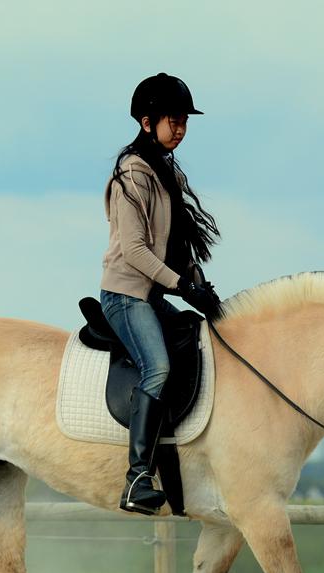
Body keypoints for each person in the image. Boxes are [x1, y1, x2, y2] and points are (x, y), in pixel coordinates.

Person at [100, 72, 224, 515]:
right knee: (158, 367)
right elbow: (135, 251)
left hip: (151, 295)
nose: (181, 129)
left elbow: (172, 246)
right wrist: (181, 285)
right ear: (148, 122)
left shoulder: (163, 170)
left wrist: (200, 287)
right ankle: (136, 478)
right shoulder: (133, 173)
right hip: (125, 296)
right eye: (174, 120)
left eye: (185, 121)